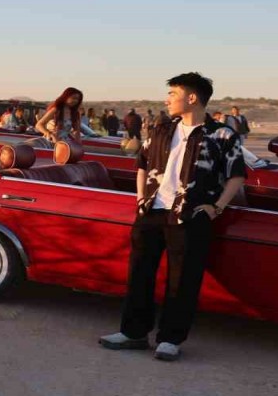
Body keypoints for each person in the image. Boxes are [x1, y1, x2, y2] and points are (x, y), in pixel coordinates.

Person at [100, 73, 246, 361]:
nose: (167, 100)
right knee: (140, 273)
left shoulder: (222, 135)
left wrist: (217, 207)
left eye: (173, 94)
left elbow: (236, 175)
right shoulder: (161, 128)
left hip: (191, 215)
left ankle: (170, 339)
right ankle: (133, 333)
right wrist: (140, 199)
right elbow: (142, 164)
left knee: (183, 279)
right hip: (152, 211)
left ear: (192, 98)